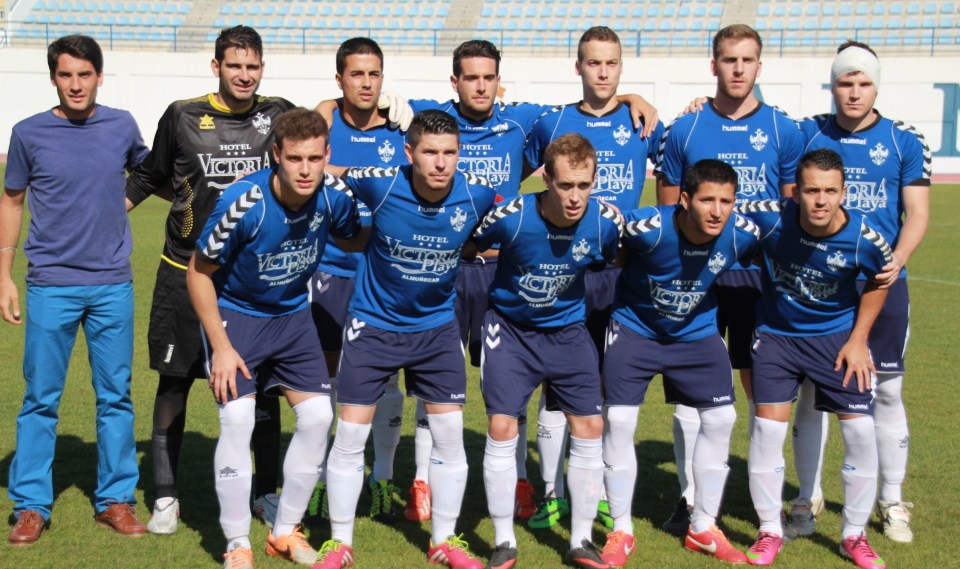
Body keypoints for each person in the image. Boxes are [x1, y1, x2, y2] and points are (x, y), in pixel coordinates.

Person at [126, 25, 295, 534]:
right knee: (175, 381)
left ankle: (265, 493)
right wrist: (109, 218)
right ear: (216, 66)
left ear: (261, 68)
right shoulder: (181, 115)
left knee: (261, 387)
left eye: (252, 65)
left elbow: (317, 145)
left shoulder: (279, 114)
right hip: (185, 271)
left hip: (251, 280)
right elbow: (150, 176)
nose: (244, 74)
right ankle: (166, 497)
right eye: (234, 65)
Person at [313, 110, 495, 569]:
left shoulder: (477, 195)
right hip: (373, 326)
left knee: (450, 436)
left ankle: (445, 541)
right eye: (430, 152)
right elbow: (319, 177)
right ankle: (340, 543)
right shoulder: (380, 182)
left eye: (449, 152)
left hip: (436, 331)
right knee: (351, 434)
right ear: (409, 153)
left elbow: (514, 222)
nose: (440, 163)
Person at [187, 108, 359, 569]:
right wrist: (221, 347)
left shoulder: (334, 196)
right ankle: (237, 541)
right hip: (237, 318)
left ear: (327, 156)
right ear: (276, 155)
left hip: (292, 317)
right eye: (296, 159)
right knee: (238, 419)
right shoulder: (242, 204)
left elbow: (357, 237)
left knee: (319, 417)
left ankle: (283, 530)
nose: (306, 170)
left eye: (316, 159)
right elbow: (198, 273)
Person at [653, 23, 804, 535]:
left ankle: (774, 496)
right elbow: (668, 212)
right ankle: (691, 498)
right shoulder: (685, 130)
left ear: (760, 67)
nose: (738, 69)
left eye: (747, 60)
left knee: (762, 386)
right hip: (695, 281)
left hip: (757, 281)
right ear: (713, 65)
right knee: (689, 389)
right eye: (729, 60)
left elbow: (790, 213)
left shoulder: (784, 131)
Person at [1, 34, 149, 545]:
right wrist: (4, 275)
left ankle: (115, 500)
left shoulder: (121, 125)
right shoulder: (28, 133)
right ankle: (31, 505)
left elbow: (147, 173)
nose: (76, 84)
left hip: (112, 284)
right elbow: (13, 201)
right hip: (49, 285)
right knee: (40, 399)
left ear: (100, 76)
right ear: (53, 78)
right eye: (66, 75)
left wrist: (120, 206)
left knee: (116, 398)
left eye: (85, 74)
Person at [786, 41, 931, 544]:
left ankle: (892, 500)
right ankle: (807, 498)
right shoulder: (806, 134)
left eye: (863, 82)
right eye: (844, 82)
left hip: (882, 286)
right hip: (818, 287)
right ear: (832, 86)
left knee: (886, 390)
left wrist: (893, 266)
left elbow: (918, 213)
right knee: (810, 392)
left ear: (876, 86)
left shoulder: (903, 140)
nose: (853, 92)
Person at [522, 26, 665, 531]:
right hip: (561, 273)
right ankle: (549, 493)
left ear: (621, 68)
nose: (602, 72)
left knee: (604, 387)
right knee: (553, 386)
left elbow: (675, 182)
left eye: (611, 64)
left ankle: (595, 488)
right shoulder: (551, 123)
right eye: (593, 63)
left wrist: (635, 99)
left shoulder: (643, 122)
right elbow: (511, 180)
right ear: (577, 67)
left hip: (621, 274)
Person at [600, 159, 760, 566]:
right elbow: (604, 236)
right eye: (707, 200)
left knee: (722, 419)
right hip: (635, 331)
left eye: (726, 201)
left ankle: (703, 526)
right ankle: (621, 528)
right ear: (684, 199)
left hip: (697, 335)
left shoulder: (742, 234)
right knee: (618, 421)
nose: (717, 211)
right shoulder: (648, 228)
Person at [476, 134, 622, 569]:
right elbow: (470, 246)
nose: (575, 197)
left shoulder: (603, 222)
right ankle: (504, 541)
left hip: (567, 332)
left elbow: (605, 260)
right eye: (565, 186)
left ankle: (580, 540)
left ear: (594, 180)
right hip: (511, 331)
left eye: (584, 185)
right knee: (503, 427)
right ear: (545, 180)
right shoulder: (512, 217)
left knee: (591, 426)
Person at [740, 149, 891, 569]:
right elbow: (713, 211)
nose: (820, 200)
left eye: (829, 191)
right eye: (811, 191)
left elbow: (882, 280)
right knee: (767, 431)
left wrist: (859, 339)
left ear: (844, 193)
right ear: (795, 193)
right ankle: (770, 529)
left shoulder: (866, 236)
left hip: (836, 341)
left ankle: (853, 536)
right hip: (776, 338)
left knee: (860, 432)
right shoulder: (769, 216)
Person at [303, 37, 409, 528]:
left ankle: (383, 478)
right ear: (340, 78)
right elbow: (307, 160)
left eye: (374, 74)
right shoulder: (322, 126)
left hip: (386, 274)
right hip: (331, 270)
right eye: (356, 74)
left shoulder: (401, 128)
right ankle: (325, 478)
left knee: (386, 377)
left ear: (383, 79)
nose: (366, 83)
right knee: (326, 378)